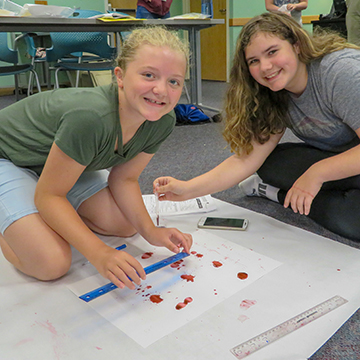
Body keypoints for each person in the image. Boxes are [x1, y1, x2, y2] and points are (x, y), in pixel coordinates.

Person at [0, 26, 192, 289]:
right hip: (7, 156)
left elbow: (125, 179)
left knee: (125, 225)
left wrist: (151, 232)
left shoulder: (163, 121)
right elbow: (49, 195)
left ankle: (36, 215)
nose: (161, 90)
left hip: (54, 160)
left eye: (174, 81)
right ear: (120, 76)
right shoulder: (91, 118)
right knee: (50, 262)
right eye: (149, 75)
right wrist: (100, 253)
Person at [154, 12, 360, 241]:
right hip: (339, 159)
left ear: (297, 45)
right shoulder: (273, 93)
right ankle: (300, 191)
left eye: (272, 52)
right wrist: (187, 189)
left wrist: (317, 174)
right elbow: (246, 160)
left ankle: (280, 195)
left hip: (347, 162)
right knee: (270, 163)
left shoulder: (340, 72)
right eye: (254, 61)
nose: (265, 67)